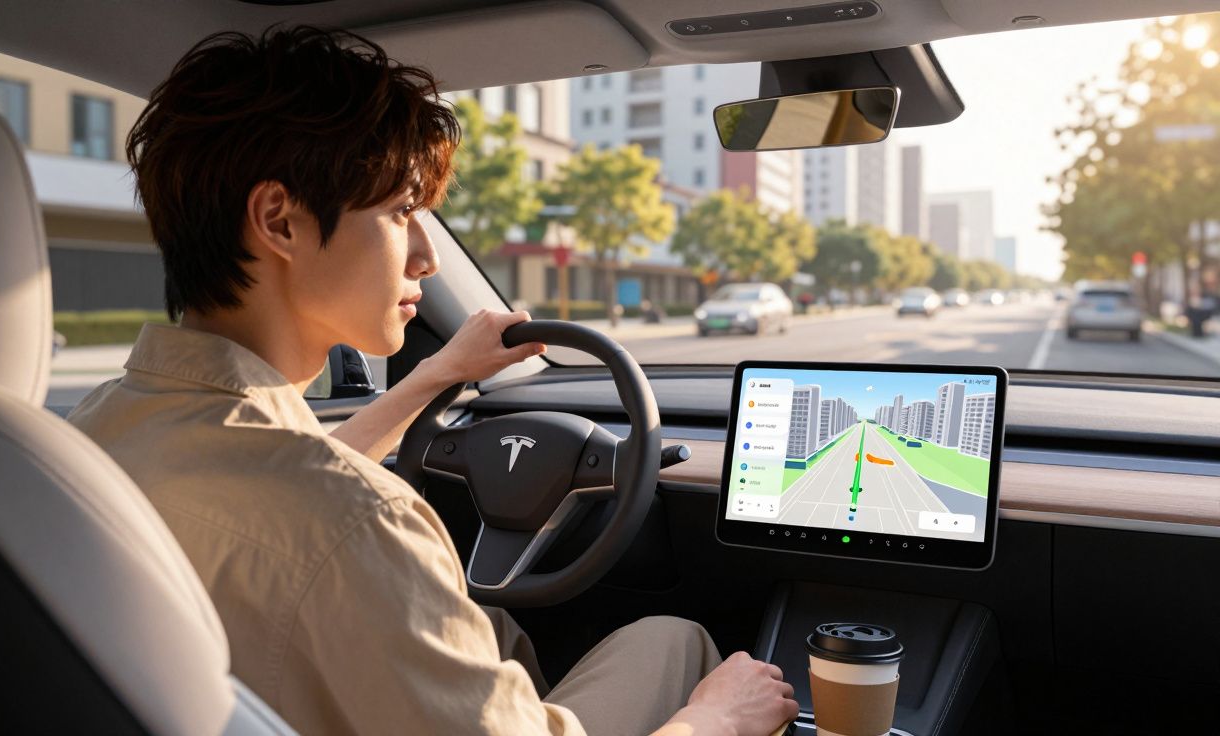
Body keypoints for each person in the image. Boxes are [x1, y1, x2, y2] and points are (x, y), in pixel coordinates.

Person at [69, 26, 799, 736]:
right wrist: (714, 719)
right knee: (673, 641)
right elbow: (326, 505)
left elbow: (291, 478)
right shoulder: (360, 523)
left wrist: (438, 374)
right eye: (400, 212)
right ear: (279, 221)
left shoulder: (94, 432)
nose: (425, 255)